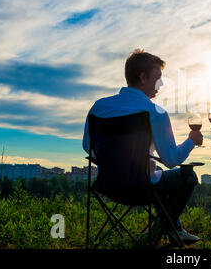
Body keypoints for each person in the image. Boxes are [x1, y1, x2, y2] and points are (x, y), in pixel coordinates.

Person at [83, 49, 202, 245]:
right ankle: (168, 227)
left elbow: (87, 146)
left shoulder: (99, 107)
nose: (162, 84)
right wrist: (191, 141)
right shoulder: (155, 112)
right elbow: (171, 159)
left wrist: (115, 162)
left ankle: (174, 229)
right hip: (141, 189)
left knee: (156, 172)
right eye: (158, 78)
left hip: (108, 185)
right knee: (187, 176)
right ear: (143, 77)